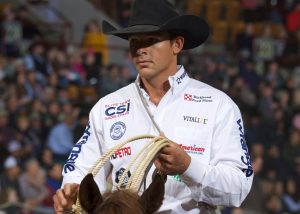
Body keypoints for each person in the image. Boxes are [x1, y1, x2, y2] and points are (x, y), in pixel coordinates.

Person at [53, 0, 253, 213]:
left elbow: (238, 187)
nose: (140, 50)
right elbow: (84, 169)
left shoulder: (218, 106)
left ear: (177, 44)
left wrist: (188, 166)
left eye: (151, 40)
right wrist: (71, 190)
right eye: (134, 42)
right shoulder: (106, 107)